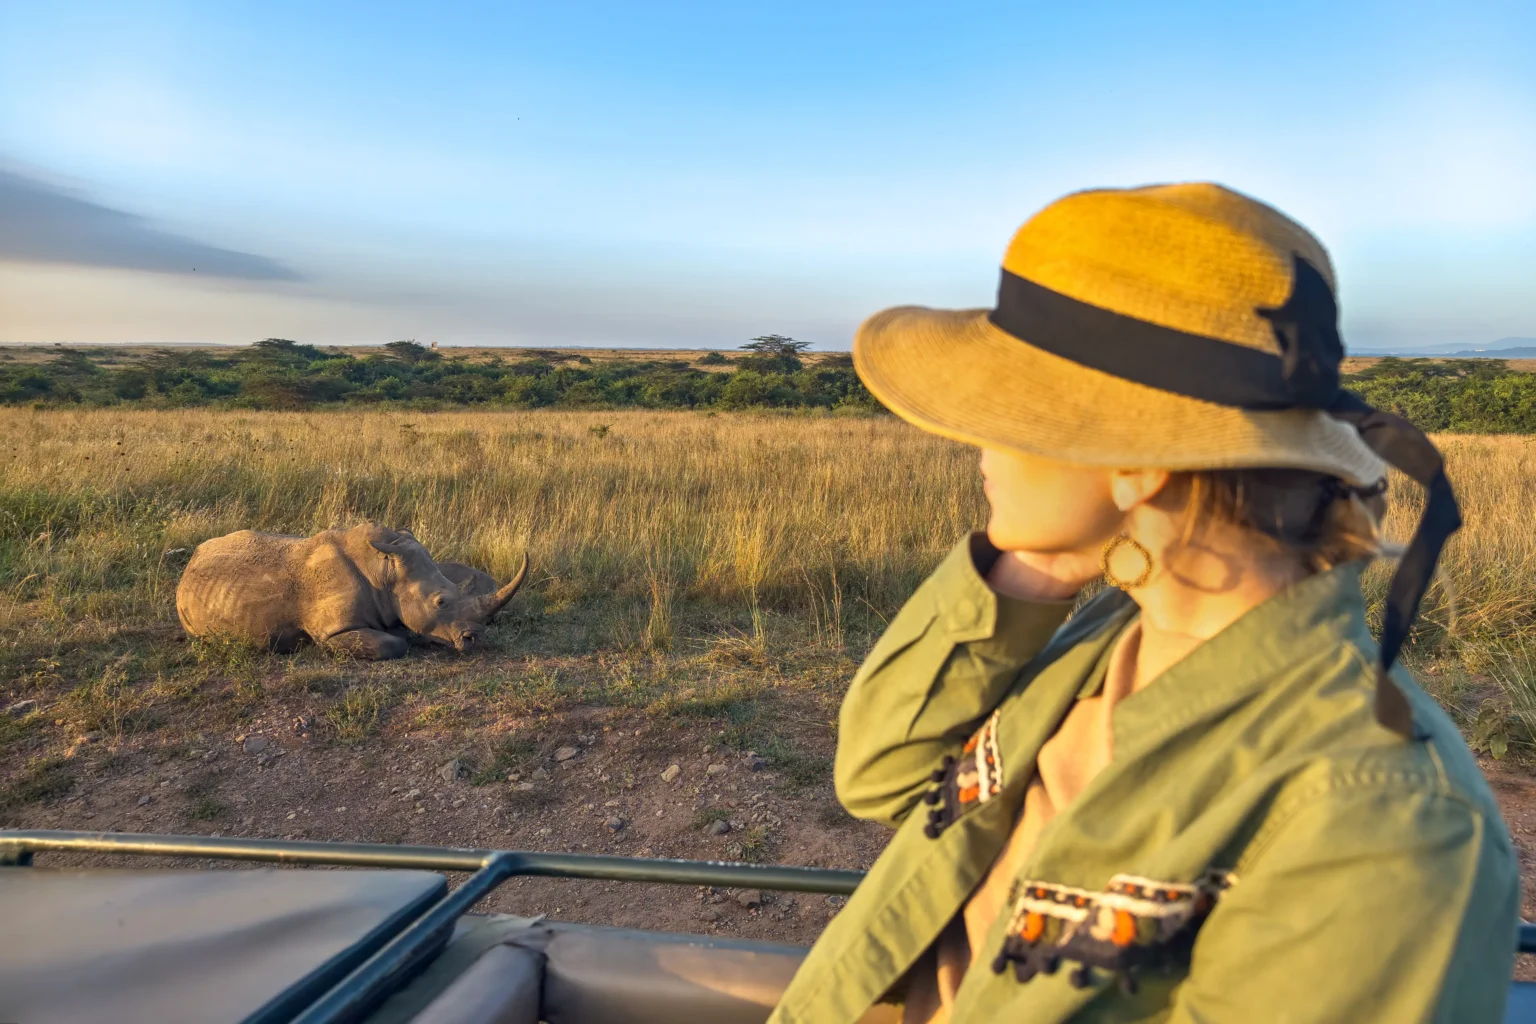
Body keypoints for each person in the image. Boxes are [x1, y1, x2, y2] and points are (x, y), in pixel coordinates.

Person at [769, 183, 1519, 1023]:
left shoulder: (1379, 823)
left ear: (1138, 460)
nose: (981, 450)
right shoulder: (1110, 636)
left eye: (1008, 416)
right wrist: (1039, 565)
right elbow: (881, 776)